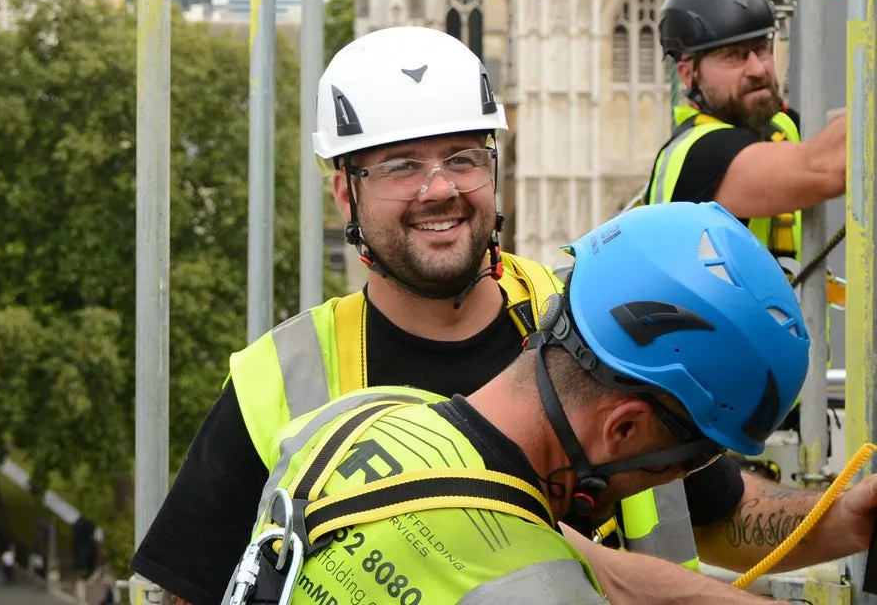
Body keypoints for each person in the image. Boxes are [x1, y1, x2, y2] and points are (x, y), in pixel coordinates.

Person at [131, 27, 877, 605]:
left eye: (462, 157)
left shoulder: (588, 322)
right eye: (399, 166)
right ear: (344, 194)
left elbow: (717, 515)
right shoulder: (283, 377)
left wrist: (849, 518)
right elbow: (193, 587)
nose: (438, 190)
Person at [226, 201, 809, 605]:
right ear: (624, 429)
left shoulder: (356, 420)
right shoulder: (539, 585)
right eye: (696, 460)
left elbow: (585, 558)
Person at [645, 0, 846, 271]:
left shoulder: (771, 123)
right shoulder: (699, 152)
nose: (757, 68)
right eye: (734, 56)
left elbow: (835, 132)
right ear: (689, 74)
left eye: (762, 48)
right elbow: (828, 165)